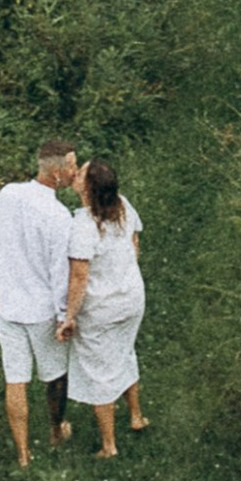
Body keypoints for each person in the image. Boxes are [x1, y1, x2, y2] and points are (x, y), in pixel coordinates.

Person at [0, 137, 81, 467]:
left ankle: (23, 454)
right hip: (39, 309)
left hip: (8, 304)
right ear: (56, 172)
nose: (75, 172)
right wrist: (63, 314)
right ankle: (55, 429)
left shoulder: (8, 194)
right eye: (71, 166)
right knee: (55, 374)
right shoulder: (58, 215)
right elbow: (58, 270)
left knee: (15, 378)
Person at [61, 156, 146, 459]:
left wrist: (69, 317)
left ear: (88, 188)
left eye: (80, 172)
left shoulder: (83, 226)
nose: (75, 174)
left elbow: (79, 276)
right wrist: (123, 274)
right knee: (124, 351)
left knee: (99, 372)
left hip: (102, 309)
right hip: (132, 297)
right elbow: (134, 242)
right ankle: (136, 416)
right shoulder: (122, 205)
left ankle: (109, 446)